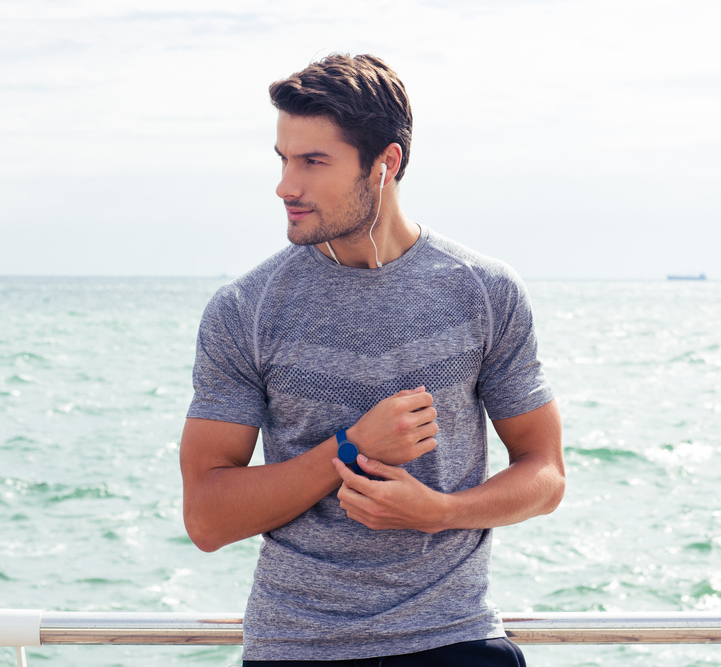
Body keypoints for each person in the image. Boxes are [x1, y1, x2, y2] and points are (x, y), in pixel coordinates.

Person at [179, 53, 565, 666]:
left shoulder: (484, 291)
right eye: (283, 159)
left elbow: (545, 474)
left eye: (313, 161)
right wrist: (352, 447)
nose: (286, 185)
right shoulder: (244, 309)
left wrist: (442, 512)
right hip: (298, 647)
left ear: (387, 163)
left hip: (454, 639)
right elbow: (207, 518)